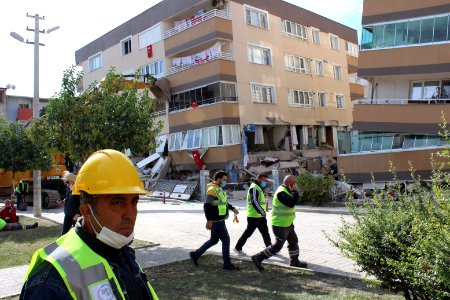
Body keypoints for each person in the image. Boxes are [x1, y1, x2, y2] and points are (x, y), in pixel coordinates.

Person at [20, 149, 158, 299]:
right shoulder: (50, 282)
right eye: (118, 203)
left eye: (134, 202)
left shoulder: (122, 253)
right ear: (86, 211)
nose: (130, 214)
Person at [251, 175, 308, 271]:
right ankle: (258, 257)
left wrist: (294, 192)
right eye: (295, 183)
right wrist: (294, 192)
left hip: (287, 223)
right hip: (280, 224)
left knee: (293, 241)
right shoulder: (281, 192)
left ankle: (294, 261)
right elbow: (290, 203)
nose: (296, 185)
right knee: (278, 246)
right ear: (290, 184)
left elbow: (294, 201)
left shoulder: (287, 190)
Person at [190, 170, 240, 271]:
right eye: (224, 179)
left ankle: (195, 254)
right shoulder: (212, 190)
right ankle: (227, 264)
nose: (225, 181)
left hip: (219, 219)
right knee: (226, 240)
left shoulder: (218, 188)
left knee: (214, 240)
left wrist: (232, 208)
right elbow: (207, 206)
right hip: (216, 221)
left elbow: (223, 202)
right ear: (218, 179)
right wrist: (209, 220)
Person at [234, 174, 272, 254]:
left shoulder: (258, 187)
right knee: (248, 233)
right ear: (259, 179)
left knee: (265, 232)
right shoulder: (254, 188)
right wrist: (262, 211)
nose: (265, 182)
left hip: (260, 215)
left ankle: (269, 247)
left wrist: (262, 212)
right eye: (264, 180)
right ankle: (238, 247)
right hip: (254, 216)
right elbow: (254, 202)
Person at [59, 171, 81, 235]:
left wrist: (78, 213)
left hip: (75, 215)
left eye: (67, 182)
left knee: (76, 233)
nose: (66, 184)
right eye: (65, 182)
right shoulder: (69, 188)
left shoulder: (78, 189)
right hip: (68, 213)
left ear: (73, 180)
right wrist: (64, 201)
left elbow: (83, 202)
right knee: (64, 233)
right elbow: (68, 197)